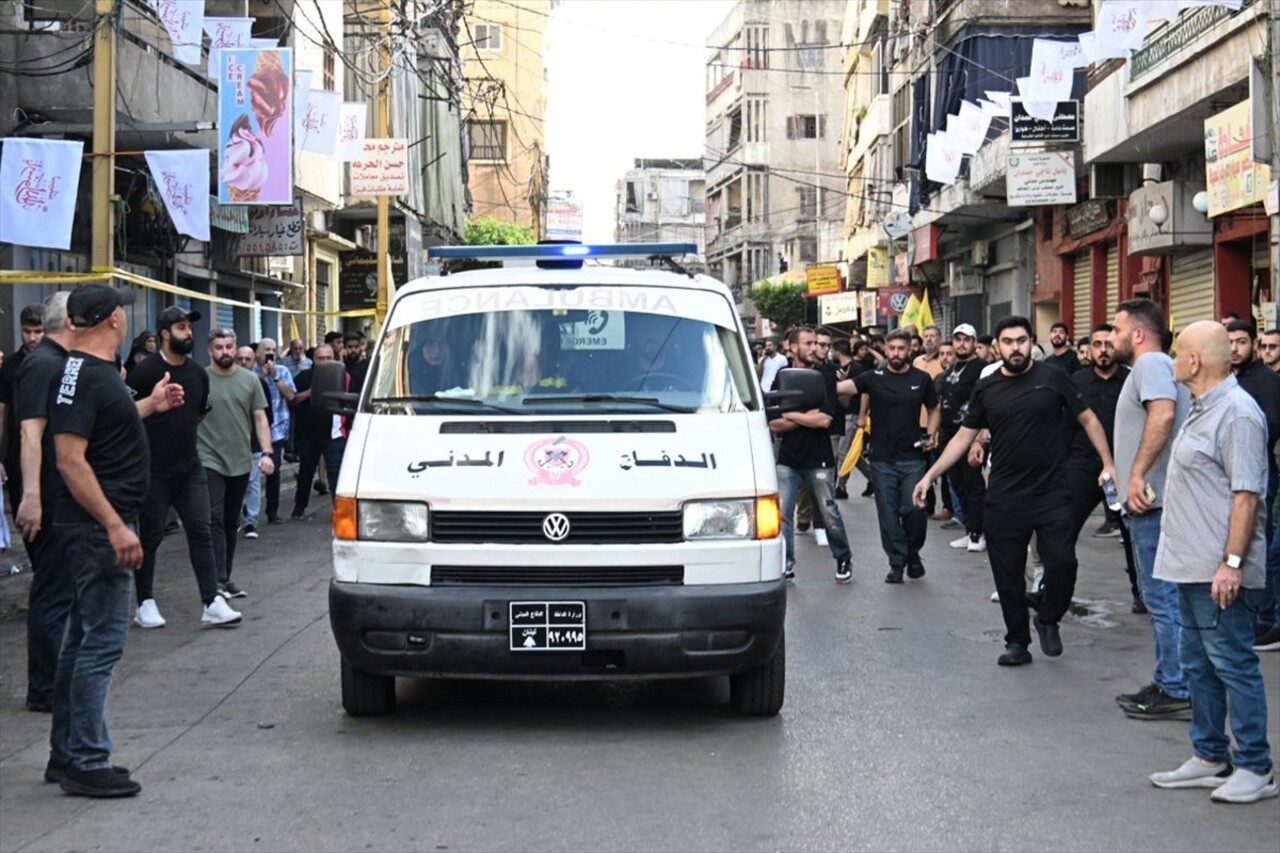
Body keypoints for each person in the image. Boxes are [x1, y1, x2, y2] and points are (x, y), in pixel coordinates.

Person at [912, 315, 1116, 667]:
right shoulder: (987, 388)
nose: (1015, 348)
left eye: (1021, 341)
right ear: (997, 347)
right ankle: (1017, 641)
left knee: (1063, 563)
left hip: (1052, 491)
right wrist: (930, 475)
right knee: (1007, 574)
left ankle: (1048, 616)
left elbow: (1087, 418)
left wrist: (1108, 463)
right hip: (1006, 495)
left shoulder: (1053, 377)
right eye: (1008, 342)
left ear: (1031, 342)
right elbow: (963, 435)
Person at [47, 283, 181, 797]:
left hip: (91, 524)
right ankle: (85, 758)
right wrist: (114, 525)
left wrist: (150, 405)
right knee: (100, 643)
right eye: (121, 310)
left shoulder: (88, 374)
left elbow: (101, 429)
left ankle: (67, 752)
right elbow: (70, 458)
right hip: (96, 527)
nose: (126, 316)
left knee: (82, 640)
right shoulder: (89, 377)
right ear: (111, 321)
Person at [1148, 320, 1277, 804]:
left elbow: (1248, 495)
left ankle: (1255, 766)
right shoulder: (1203, 407)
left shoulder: (1238, 413)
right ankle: (1209, 756)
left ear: (1195, 362)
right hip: (1188, 565)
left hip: (1217, 570)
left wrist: (1232, 562)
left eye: (1178, 352)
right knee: (1198, 665)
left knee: (1232, 664)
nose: (1174, 359)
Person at [126, 306, 241, 629]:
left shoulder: (198, 374)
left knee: (201, 530)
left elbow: (200, 413)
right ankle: (144, 603)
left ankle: (211, 601)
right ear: (165, 333)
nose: (188, 332)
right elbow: (123, 414)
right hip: (152, 469)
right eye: (181, 327)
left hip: (189, 467)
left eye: (189, 327)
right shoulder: (145, 372)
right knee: (150, 537)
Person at [1110, 298, 1193, 720]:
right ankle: (1168, 678)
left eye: (1117, 330)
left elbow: (1162, 415)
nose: (1111, 338)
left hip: (1153, 504)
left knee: (1163, 600)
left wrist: (1137, 475)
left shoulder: (1151, 365)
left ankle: (1176, 686)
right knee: (1162, 598)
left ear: (1138, 334)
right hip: (1151, 503)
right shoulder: (1153, 366)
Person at [13, 294, 75, 714]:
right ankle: (44, 687)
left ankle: (52, 681)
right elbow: (29, 434)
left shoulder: (59, 363)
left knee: (60, 591)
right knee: (52, 591)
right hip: (48, 498)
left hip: (58, 495)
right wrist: (31, 496)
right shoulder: (43, 364)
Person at [840, 330, 939, 583]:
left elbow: (934, 408)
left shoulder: (922, 378)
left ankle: (913, 553)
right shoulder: (874, 377)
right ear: (886, 350)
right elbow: (845, 388)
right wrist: (819, 382)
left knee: (914, 510)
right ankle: (897, 563)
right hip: (882, 459)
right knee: (888, 513)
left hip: (913, 458)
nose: (896, 353)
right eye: (892, 348)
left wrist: (932, 432)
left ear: (909, 350)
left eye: (901, 348)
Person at [1065, 325, 1142, 614]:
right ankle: (1058, 592)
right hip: (1082, 466)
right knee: (1064, 530)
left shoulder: (1132, 381)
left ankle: (1141, 592)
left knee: (1133, 534)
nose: (1103, 350)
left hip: (1125, 467)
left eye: (1109, 344)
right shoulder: (1076, 381)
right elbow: (1064, 425)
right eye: (1097, 344)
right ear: (1089, 348)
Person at [770, 326, 854, 583]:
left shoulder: (825, 375)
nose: (814, 347)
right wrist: (805, 415)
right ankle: (786, 564)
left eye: (816, 343)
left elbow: (824, 420)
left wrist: (791, 415)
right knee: (782, 515)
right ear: (793, 347)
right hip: (788, 457)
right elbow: (774, 424)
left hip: (819, 457)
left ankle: (842, 556)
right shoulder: (782, 376)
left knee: (829, 512)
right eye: (808, 343)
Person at [198, 330, 275, 597]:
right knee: (214, 518)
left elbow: (260, 419)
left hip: (241, 460)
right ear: (210, 351)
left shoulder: (250, 380)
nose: (225, 352)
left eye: (229, 346)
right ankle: (216, 579)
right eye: (219, 347)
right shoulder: (201, 379)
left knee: (231, 521)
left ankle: (226, 576)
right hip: (208, 458)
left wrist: (267, 452)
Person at [938, 324, 987, 553]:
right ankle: (970, 530)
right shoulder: (949, 371)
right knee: (957, 484)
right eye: (957, 339)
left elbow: (986, 405)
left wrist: (979, 438)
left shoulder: (982, 369)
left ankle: (979, 532)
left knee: (973, 485)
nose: (961, 344)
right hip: (949, 437)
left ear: (975, 343)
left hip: (971, 437)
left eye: (966, 340)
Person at [289, 345, 347, 519]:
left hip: (334, 433)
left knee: (336, 473)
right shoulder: (303, 377)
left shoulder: (342, 376)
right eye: (321, 358)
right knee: (306, 472)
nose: (325, 362)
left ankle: (340, 509)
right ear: (314, 359)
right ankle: (299, 507)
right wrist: (310, 393)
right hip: (308, 434)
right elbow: (293, 400)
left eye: (329, 357)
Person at [0, 304, 46, 523]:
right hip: (17, 452)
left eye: (38, 331)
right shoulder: (8, 366)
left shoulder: (59, 362)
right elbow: (1, 412)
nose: (32, 338)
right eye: (27, 331)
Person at [250, 338, 295, 527]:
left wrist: (276, 377)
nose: (270, 353)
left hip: (275, 430)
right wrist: (261, 376)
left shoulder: (283, 371)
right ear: (258, 353)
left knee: (273, 472)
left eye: (273, 350)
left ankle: (273, 511)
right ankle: (247, 514)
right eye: (266, 349)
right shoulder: (250, 373)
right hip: (253, 431)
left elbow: (291, 396)